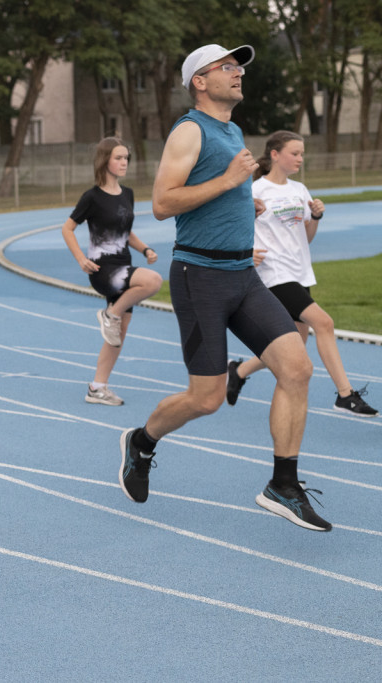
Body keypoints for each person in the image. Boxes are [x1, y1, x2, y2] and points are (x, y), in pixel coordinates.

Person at [118, 44, 331, 532]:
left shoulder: (232, 129)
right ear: (200, 80)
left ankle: (283, 484)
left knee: (297, 367)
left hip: (243, 275)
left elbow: (218, 191)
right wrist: (232, 180)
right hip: (201, 278)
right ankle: (142, 441)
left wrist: (243, 204)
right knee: (207, 398)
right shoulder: (190, 129)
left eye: (239, 67)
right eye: (227, 67)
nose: (238, 74)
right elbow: (163, 203)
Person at [226, 131, 378, 417]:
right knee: (324, 323)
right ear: (274, 154)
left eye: (302, 154)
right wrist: (246, 253)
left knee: (297, 341)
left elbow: (306, 238)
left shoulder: (300, 190)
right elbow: (235, 229)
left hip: (300, 273)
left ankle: (240, 370)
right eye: (294, 153)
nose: (299, 158)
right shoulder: (255, 191)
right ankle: (345, 394)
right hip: (273, 273)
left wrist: (316, 218)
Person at [61, 137, 162, 406]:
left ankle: (98, 386)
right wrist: (80, 258)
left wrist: (146, 249)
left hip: (125, 264)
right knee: (153, 281)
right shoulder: (91, 197)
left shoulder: (127, 194)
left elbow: (125, 233)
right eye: (118, 158)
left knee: (118, 333)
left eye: (126, 158)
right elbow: (67, 228)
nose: (123, 162)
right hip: (103, 270)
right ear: (105, 161)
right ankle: (110, 314)